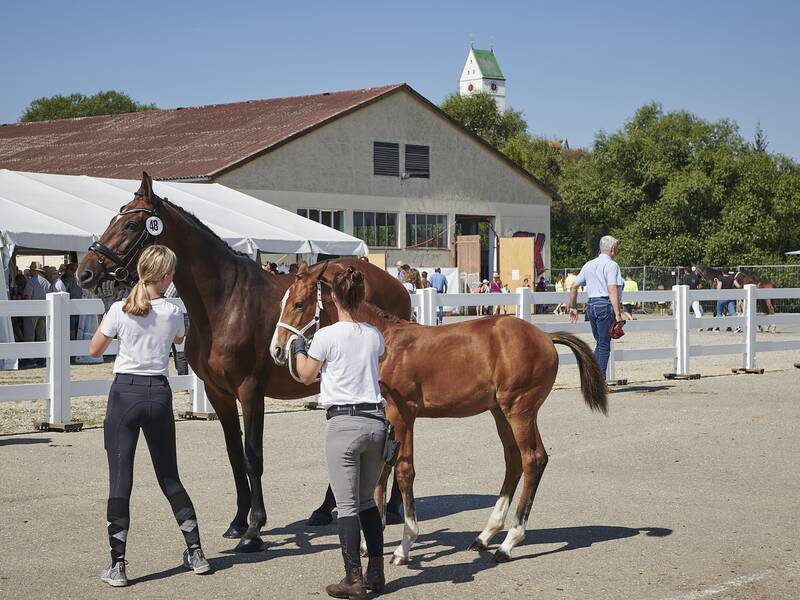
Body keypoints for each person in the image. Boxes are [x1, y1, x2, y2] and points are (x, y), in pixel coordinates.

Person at [89, 246, 210, 587]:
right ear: (166, 276)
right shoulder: (173, 312)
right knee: (170, 477)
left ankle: (118, 564)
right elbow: (177, 338)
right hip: (158, 393)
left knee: (120, 480)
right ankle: (196, 552)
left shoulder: (119, 309)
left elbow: (94, 350)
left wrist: (113, 321)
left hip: (125, 392)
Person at [290, 267, 388, 598]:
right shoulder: (374, 334)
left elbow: (305, 376)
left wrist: (297, 349)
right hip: (376, 421)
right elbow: (380, 357)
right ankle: (377, 570)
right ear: (361, 298)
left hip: (343, 424)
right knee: (367, 502)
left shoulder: (326, 336)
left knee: (346, 507)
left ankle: (354, 579)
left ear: (333, 298)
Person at [568, 235, 624, 379]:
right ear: (612, 249)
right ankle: (598, 380)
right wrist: (618, 314)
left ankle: (591, 374)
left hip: (591, 305)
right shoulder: (612, 265)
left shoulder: (589, 264)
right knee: (605, 344)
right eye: (616, 248)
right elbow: (612, 289)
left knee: (600, 343)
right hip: (605, 305)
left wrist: (573, 307)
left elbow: (574, 286)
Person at [22, 261, 50, 367]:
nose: (30, 271)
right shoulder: (46, 282)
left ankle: (29, 359)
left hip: (32, 310)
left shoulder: (31, 281)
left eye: (31, 269)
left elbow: (28, 296)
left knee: (29, 334)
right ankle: (41, 358)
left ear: (34, 270)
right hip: (44, 310)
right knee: (41, 335)